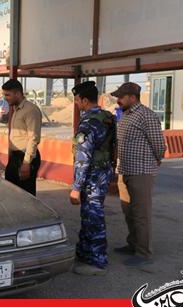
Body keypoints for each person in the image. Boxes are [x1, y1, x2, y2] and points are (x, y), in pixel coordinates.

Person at [112, 82, 166, 267]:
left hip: (141, 172)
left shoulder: (147, 115)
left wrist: (157, 159)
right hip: (125, 170)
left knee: (141, 214)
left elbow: (159, 144)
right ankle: (133, 244)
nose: (118, 100)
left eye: (121, 97)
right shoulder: (125, 115)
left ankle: (144, 253)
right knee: (128, 211)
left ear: (133, 98)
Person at [70, 81, 116, 276]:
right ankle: (85, 253)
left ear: (85, 100)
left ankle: (97, 261)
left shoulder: (88, 123)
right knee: (89, 214)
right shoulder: (108, 117)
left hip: (92, 176)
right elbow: (114, 146)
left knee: (94, 217)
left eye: (77, 100)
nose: (76, 104)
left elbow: (83, 157)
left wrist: (76, 187)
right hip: (104, 171)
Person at [3, 79, 42, 196]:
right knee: (12, 193)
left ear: (17, 93)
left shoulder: (30, 110)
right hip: (16, 157)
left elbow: (33, 138)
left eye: (8, 95)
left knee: (26, 195)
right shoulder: (16, 110)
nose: (5, 98)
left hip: (25, 157)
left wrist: (26, 163)